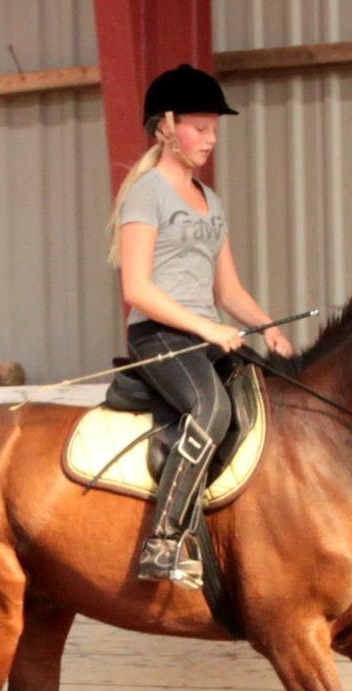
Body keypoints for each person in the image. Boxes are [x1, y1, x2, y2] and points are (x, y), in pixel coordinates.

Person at [108, 63, 293, 589]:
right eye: (200, 127)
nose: (211, 138)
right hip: (160, 335)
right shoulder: (146, 193)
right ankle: (163, 541)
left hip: (202, 334)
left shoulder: (211, 202)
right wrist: (209, 331)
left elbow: (227, 291)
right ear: (166, 126)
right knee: (210, 407)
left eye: (215, 128)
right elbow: (137, 289)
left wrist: (267, 326)